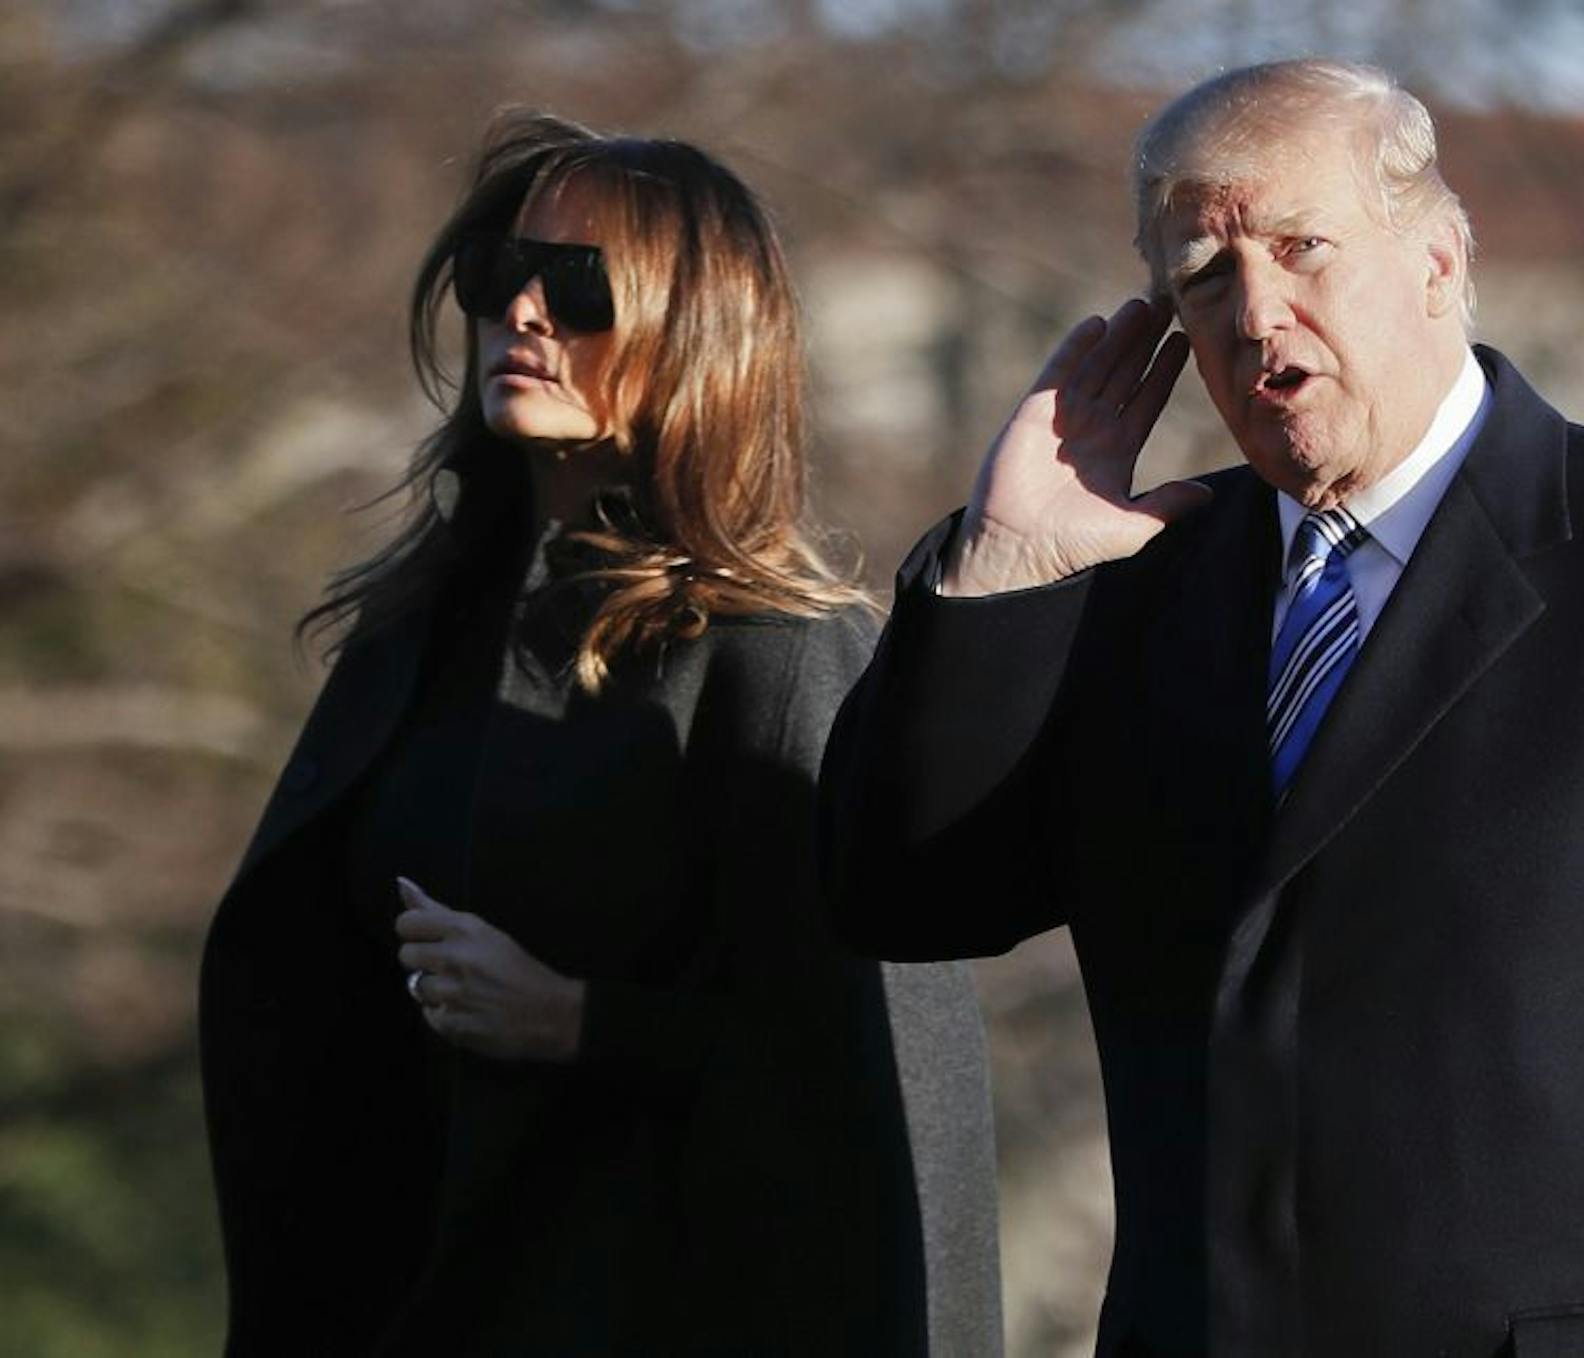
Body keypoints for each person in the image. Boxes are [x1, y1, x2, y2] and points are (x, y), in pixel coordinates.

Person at [820, 59, 1584, 1357]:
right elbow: (903, 894)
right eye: (1206, 276)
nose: (1256, 312)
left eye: (1302, 247)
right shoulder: (1130, 584)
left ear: (1439, 261)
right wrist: (1002, 571)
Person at [198, 112, 1001, 1357]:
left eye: (577, 288)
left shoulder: (776, 651)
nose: (522, 312)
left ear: (697, 333)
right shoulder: (417, 632)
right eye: (499, 274)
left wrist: (581, 1021)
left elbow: (874, 1085)